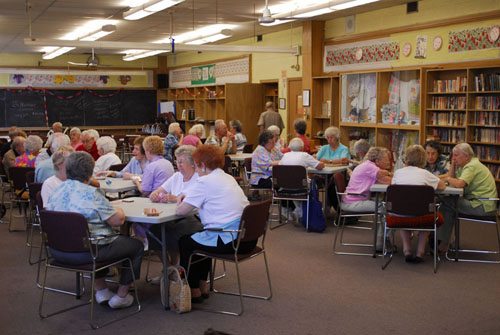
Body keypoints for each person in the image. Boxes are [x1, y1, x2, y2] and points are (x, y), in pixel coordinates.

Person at [45, 151, 144, 309]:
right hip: (89, 253)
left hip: (57, 251)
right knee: (136, 246)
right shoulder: (91, 193)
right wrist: (118, 209)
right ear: (90, 172)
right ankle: (121, 296)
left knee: (92, 238)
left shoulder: (56, 190)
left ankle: (102, 291)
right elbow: (117, 221)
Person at [176, 145, 251, 302]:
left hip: (229, 240)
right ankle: (202, 284)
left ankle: (193, 289)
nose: (195, 170)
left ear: (202, 165)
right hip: (247, 238)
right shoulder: (227, 177)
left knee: (186, 242)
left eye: (196, 165)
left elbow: (181, 211)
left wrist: (178, 200)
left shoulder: (204, 182)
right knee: (201, 237)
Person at [147, 145, 203, 264]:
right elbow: (158, 190)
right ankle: (168, 267)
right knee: (152, 231)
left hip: (195, 218)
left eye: (181, 162)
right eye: (177, 161)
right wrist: (155, 195)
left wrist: (174, 198)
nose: (178, 165)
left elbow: (192, 203)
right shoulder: (177, 176)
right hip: (174, 216)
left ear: (193, 163)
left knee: (172, 232)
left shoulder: (199, 179)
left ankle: (175, 266)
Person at [439, 143, 498, 253]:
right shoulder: (467, 165)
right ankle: (441, 240)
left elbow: (460, 183)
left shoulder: (471, 166)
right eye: (452, 155)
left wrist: (447, 179)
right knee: (448, 202)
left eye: (456, 155)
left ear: (466, 156)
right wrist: (452, 165)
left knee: (446, 203)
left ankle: (442, 242)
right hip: (479, 203)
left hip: (482, 205)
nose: (453, 158)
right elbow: (453, 179)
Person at [391, 144, 446, 263]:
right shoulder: (425, 174)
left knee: (403, 210)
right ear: (423, 159)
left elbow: (393, 187)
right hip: (422, 216)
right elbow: (442, 186)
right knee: (426, 212)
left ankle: (407, 250)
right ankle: (420, 252)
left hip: (399, 216)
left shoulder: (398, 173)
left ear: (406, 158)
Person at [341, 147, 393, 248]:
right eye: (386, 159)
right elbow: (389, 181)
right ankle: (381, 242)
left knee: (384, 206)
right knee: (387, 209)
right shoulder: (371, 167)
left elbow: (383, 179)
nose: (388, 162)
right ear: (377, 161)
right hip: (354, 202)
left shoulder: (368, 165)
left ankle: (383, 239)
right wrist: (391, 174)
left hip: (353, 199)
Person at [279, 137, 325, 220]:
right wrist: (321, 161)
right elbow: (320, 166)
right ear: (302, 147)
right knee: (315, 181)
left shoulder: (284, 156)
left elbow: (280, 168)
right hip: (301, 188)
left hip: (284, 187)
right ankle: (304, 210)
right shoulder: (305, 155)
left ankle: (298, 210)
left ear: (289, 147)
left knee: (299, 182)